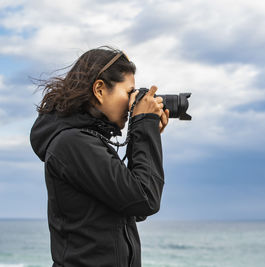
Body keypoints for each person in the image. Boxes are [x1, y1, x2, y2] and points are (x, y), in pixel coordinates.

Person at [30, 46, 169, 267]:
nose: (132, 103)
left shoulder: (85, 141)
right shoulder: (73, 144)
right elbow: (144, 200)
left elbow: (130, 207)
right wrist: (144, 129)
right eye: (128, 93)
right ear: (100, 89)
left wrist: (145, 133)